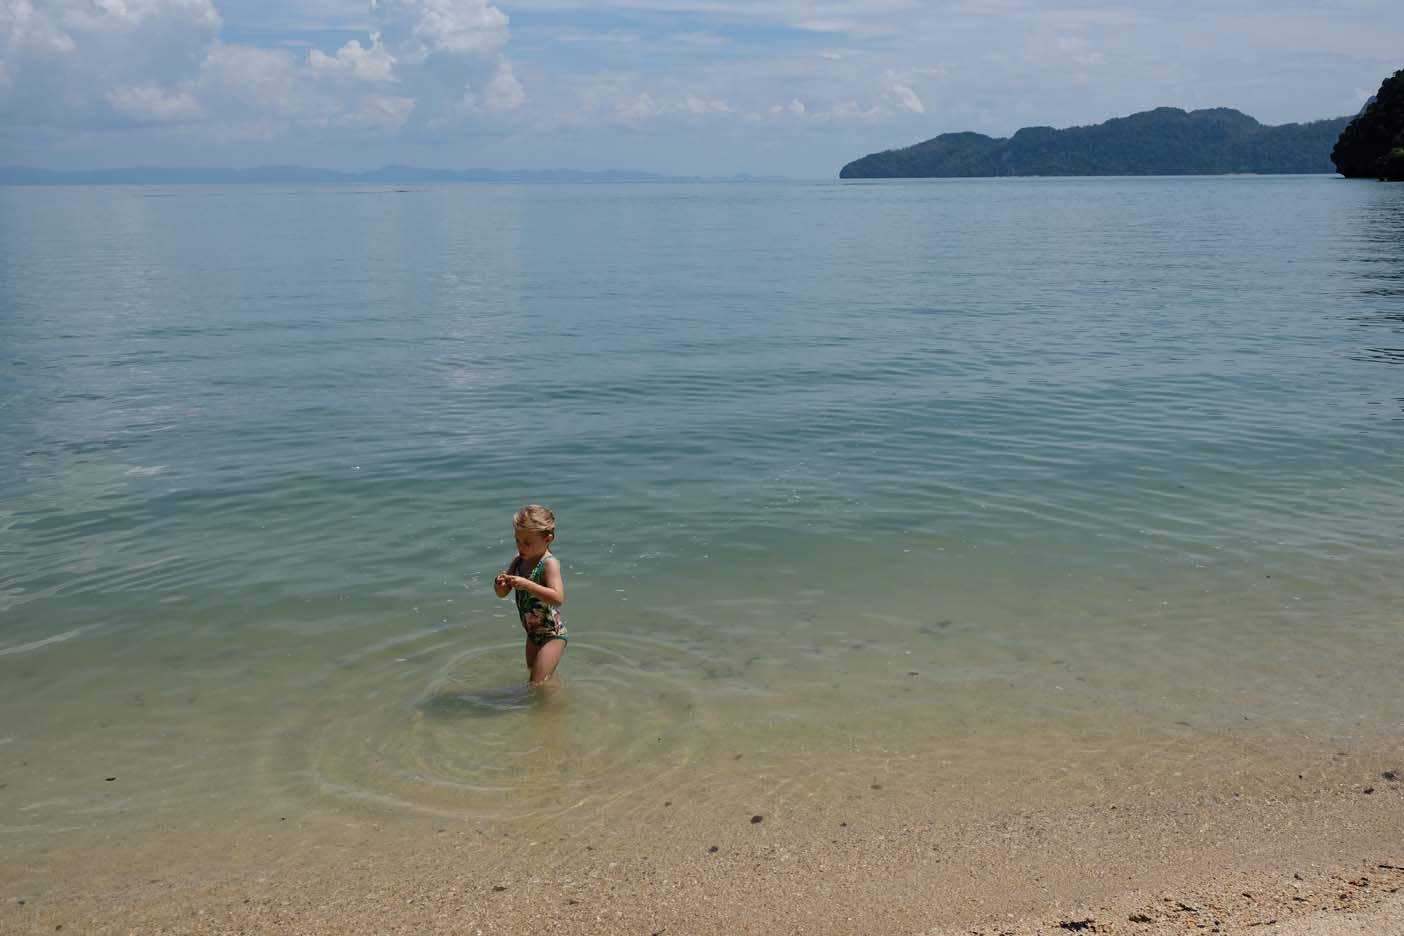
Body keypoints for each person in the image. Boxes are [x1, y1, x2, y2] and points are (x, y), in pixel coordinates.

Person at [494, 504, 567, 685]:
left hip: (552, 634)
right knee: (535, 679)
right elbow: (502, 594)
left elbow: (558, 598)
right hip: (532, 634)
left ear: (548, 538)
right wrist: (499, 585)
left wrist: (527, 584)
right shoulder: (518, 561)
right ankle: (547, 707)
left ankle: (553, 710)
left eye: (527, 542)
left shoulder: (549, 564)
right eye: (517, 540)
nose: (521, 546)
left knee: (537, 683)